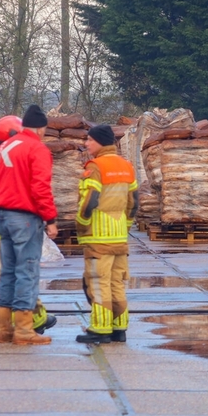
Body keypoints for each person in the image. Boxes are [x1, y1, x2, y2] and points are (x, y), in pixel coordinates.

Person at [0, 105, 58, 345]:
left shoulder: (4, 146)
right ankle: (24, 330)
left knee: (8, 272)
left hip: (3, 217)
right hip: (25, 218)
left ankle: (4, 329)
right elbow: (40, 187)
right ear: (40, 129)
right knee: (27, 271)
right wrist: (51, 219)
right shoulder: (36, 148)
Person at [75, 124, 139, 344]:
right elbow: (134, 203)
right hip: (119, 236)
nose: (86, 143)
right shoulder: (127, 166)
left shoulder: (95, 167)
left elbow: (90, 201)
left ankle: (100, 329)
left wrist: (81, 225)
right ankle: (118, 328)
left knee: (98, 281)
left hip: (98, 236)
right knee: (117, 282)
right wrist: (126, 226)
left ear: (100, 142)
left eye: (90, 140)